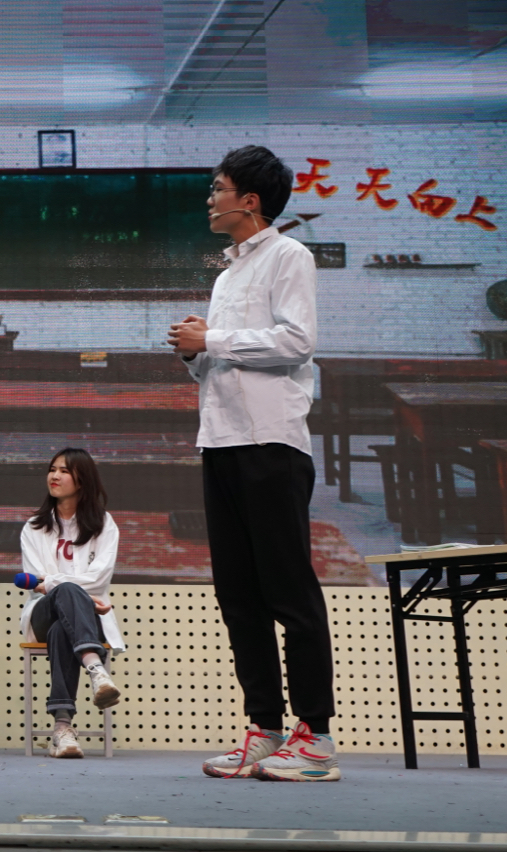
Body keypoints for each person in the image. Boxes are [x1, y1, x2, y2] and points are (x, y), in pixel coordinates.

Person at [167, 145, 340, 782]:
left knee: (288, 592)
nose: (209, 199)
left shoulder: (289, 256)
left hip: (272, 443)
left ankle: (315, 740)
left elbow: (297, 341)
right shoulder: (225, 276)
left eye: (218, 188)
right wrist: (195, 352)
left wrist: (211, 338)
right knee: (239, 596)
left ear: (250, 200)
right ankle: (265, 731)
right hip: (221, 441)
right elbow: (222, 364)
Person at [19, 448, 125, 759]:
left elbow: (99, 579)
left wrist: (55, 582)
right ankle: (96, 668)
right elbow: (37, 583)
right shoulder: (34, 527)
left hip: (82, 619)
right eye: (52, 469)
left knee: (61, 631)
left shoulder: (104, 524)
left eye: (64, 471)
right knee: (63, 594)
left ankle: (62, 729)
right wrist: (63, 586)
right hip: (42, 612)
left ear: (83, 479)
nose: (54, 476)